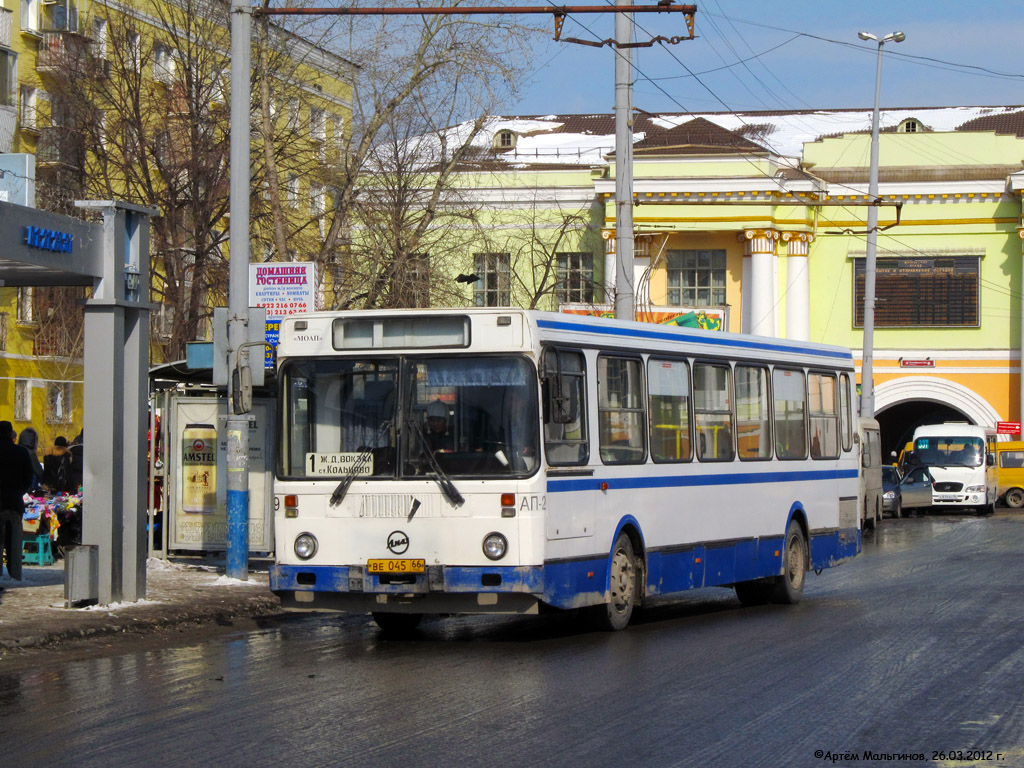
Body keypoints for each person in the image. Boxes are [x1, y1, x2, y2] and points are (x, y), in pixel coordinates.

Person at [0, 421, 34, 582]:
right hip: (15, 501)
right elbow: (29, 477)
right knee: (15, 539)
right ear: (10, 434)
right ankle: (15, 573)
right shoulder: (20, 452)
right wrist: (20, 491)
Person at [17, 427, 44, 492]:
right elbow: (38, 471)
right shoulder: (30, 453)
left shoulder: (15, 449)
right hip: (26, 487)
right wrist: (44, 481)